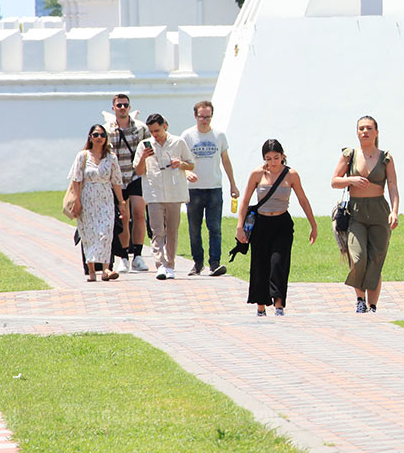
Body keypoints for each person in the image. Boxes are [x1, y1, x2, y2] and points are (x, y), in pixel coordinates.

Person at [235, 139, 317, 316]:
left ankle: (279, 305)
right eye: (268, 158)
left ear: (283, 156)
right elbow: (245, 200)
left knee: (279, 262)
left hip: (282, 224)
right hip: (261, 224)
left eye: (276, 157)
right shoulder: (257, 174)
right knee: (260, 264)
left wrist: (313, 224)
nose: (273, 162)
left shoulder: (291, 175)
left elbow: (303, 200)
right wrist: (239, 226)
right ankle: (261, 306)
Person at [332, 116, 400, 314]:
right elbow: (334, 181)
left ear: (376, 132)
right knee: (359, 257)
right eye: (361, 128)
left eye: (369, 128)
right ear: (357, 132)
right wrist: (351, 180)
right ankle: (359, 299)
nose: (365, 132)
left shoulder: (385, 157)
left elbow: (393, 185)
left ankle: (372, 305)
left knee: (376, 259)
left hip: (379, 211)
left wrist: (394, 211)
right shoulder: (349, 155)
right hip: (356, 211)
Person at [180, 100, 239, 276]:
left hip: (214, 187)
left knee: (215, 227)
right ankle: (197, 263)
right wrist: (186, 173)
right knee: (194, 228)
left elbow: (226, 160)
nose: (205, 120)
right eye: (201, 117)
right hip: (194, 189)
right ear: (195, 116)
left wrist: (233, 184)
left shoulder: (219, 135)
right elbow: (178, 161)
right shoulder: (188, 135)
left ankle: (214, 263)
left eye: (208, 116)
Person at [134, 113, 196, 281]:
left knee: (172, 231)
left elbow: (191, 164)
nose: (155, 134)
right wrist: (144, 157)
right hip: (154, 193)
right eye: (151, 131)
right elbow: (139, 171)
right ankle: (160, 264)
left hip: (174, 193)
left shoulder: (178, 142)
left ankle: (170, 265)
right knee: (157, 231)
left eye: (157, 130)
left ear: (165, 126)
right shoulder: (144, 145)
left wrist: (180, 164)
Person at [66, 124, 130, 282]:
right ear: (90, 137)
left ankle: (107, 268)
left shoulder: (111, 157)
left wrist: (121, 202)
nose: (99, 138)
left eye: (102, 135)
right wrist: (76, 200)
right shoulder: (83, 156)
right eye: (96, 135)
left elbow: (116, 181)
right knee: (89, 234)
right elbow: (76, 179)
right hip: (87, 198)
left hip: (105, 199)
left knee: (106, 233)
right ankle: (92, 269)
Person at [107, 94, 151, 271]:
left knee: (139, 214)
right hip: (117, 179)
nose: (122, 108)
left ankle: (138, 255)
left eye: (125, 105)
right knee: (123, 217)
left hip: (136, 175)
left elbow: (150, 149)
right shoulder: (107, 130)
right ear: (114, 108)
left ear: (130, 107)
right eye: (119, 105)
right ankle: (123, 256)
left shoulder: (140, 129)